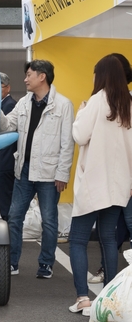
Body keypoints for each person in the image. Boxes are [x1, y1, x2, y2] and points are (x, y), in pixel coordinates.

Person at [67, 55, 132, 316]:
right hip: (119, 186)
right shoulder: (128, 104)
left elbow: (80, 135)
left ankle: (83, 299)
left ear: (101, 75)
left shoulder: (96, 100)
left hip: (93, 184)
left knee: (78, 240)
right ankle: (107, 297)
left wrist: (81, 112)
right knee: (107, 240)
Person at [0, 59, 74, 279]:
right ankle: (12, 262)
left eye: (29, 74)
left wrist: (62, 174)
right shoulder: (23, 102)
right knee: (14, 217)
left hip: (50, 173)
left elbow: (67, 143)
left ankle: (46, 263)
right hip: (24, 169)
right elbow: (6, 125)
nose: (25, 79)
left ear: (42, 76)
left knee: (49, 220)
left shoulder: (63, 105)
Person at [88, 53, 132, 285]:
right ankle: (109, 273)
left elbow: (80, 134)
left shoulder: (116, 101)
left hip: (123, 179)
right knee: (113, 232)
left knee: (119, 228)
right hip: (121, 179)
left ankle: (110, 274)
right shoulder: (117, 101)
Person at [0, 72, 17, 221]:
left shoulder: (9, 105)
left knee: (6, 200)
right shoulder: (0, 104)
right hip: (1, 160)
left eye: (0, 86)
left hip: (6, 160)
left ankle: (8, 232)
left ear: (8, 88)